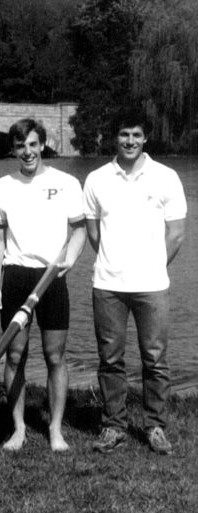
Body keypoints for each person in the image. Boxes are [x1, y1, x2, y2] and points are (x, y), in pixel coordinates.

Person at [84, 111, 187, 455]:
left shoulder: (166, 177)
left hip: (152, 284)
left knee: (155, 359)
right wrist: (115, 261)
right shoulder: (97, 179)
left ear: (146, 139)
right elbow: (94, 232)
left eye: (136, 135)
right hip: (108, 284)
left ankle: (155, 426)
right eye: (124, 134)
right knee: (110, 359)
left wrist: (152, 265)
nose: (130, 141)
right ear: (115, 138)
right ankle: (114, 425)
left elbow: (176, 234)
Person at [0, 119, 86, 452]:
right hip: (15, 274)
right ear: (13, 150)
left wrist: (68, 260)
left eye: (32, 144)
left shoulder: (67, 182)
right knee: (15, 355)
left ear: (42, 145)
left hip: (52, 277)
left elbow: (79, 230)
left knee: (54, 355)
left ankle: (55, 430)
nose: (27, 152)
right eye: (20, 146)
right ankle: (18, 429)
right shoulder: (2, 185)